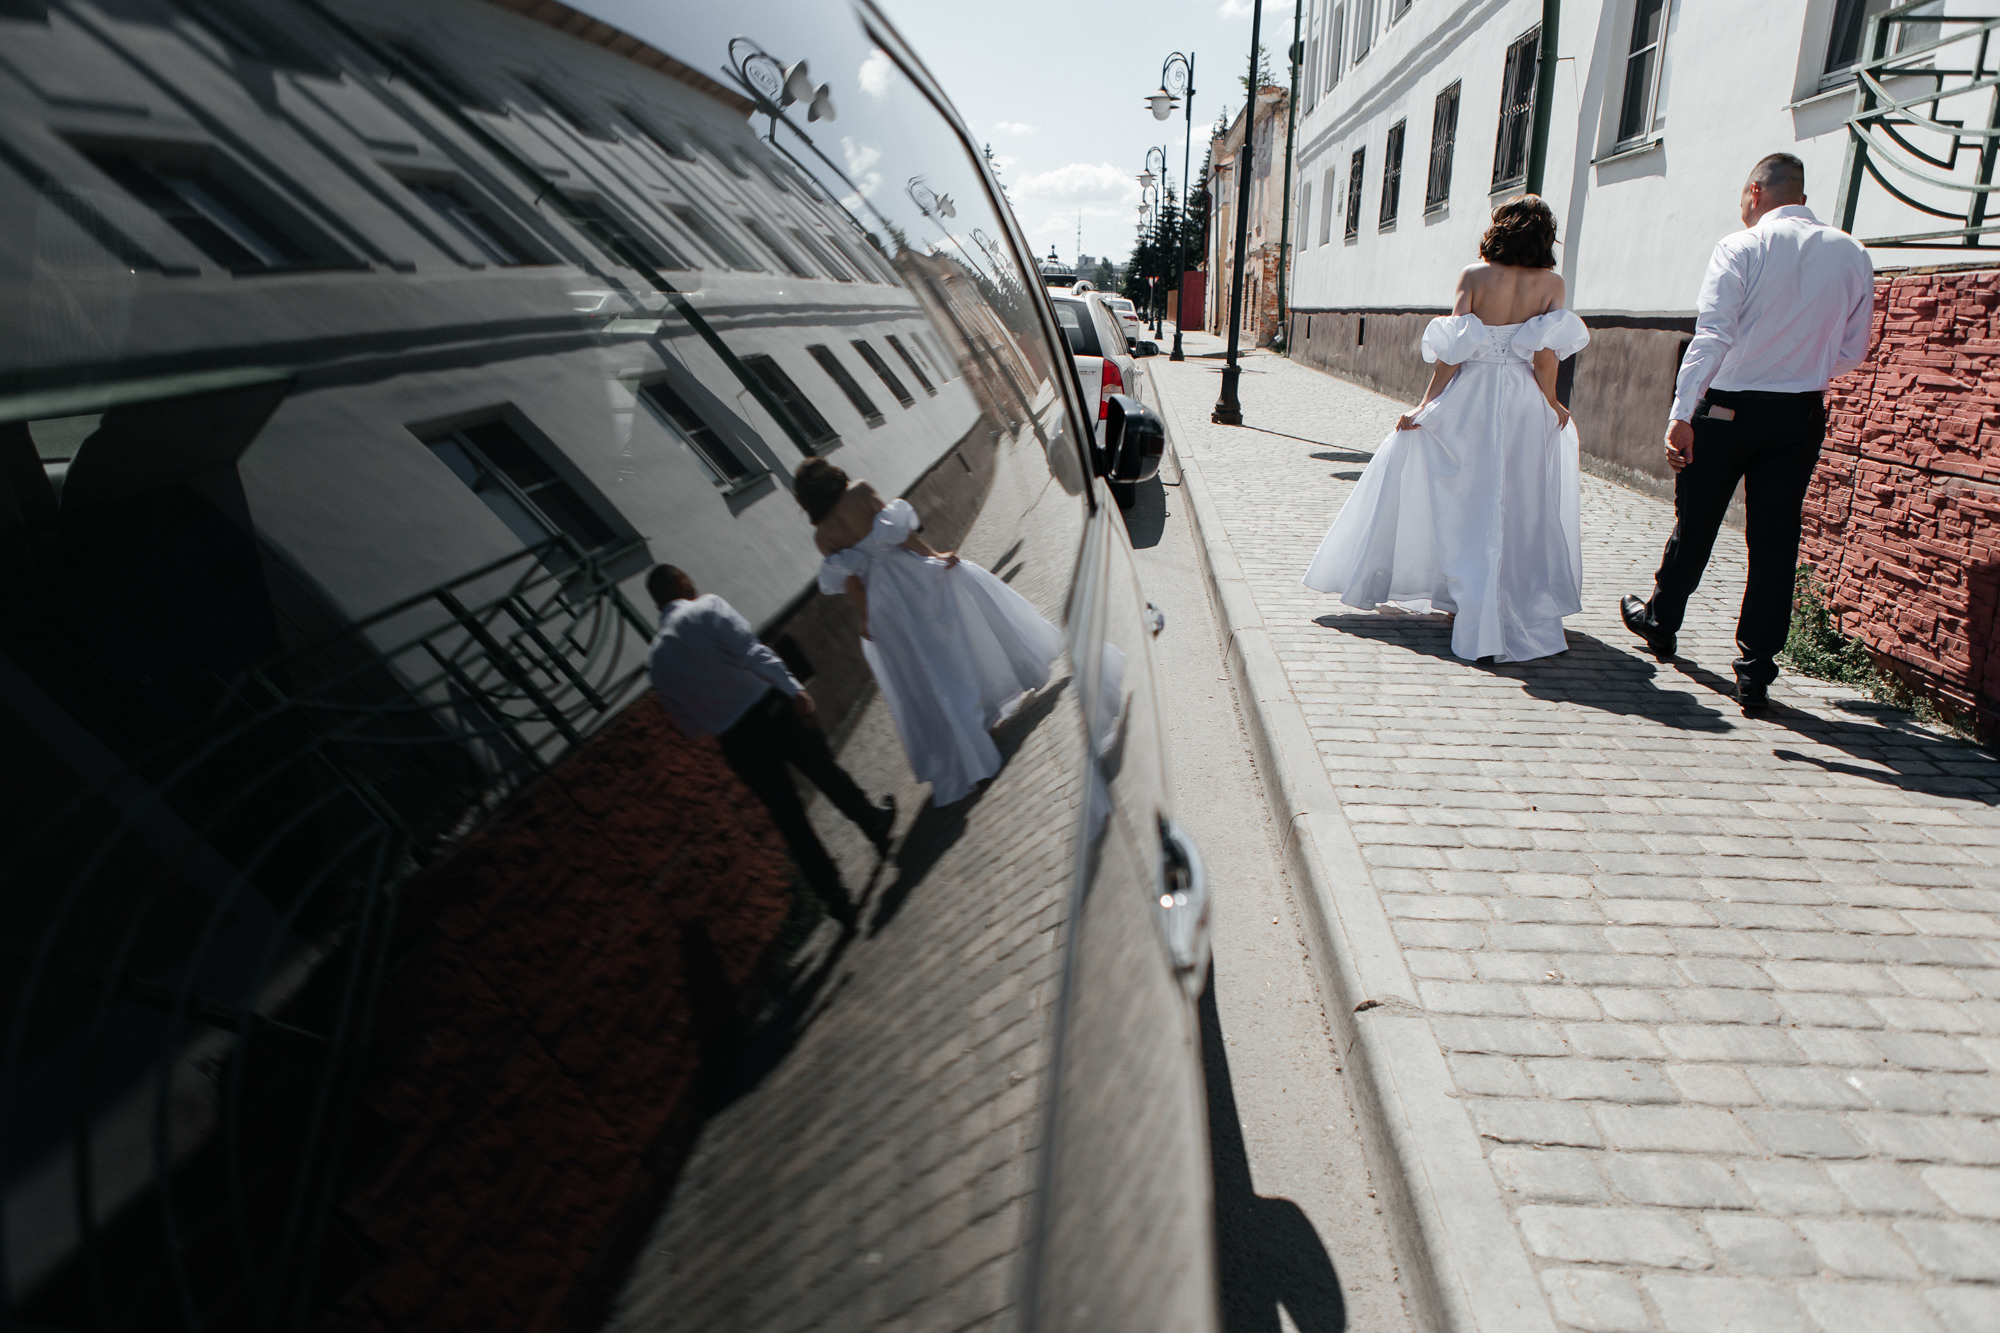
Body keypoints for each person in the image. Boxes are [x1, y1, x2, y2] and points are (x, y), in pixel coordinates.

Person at [1620, 153, 1874, 714]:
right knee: (1776, 537)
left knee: (1699, 520)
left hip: (1728, 410)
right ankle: (1756, 668)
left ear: (1754, 192)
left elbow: (1711, 335)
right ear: (1802, 199)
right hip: (1800, 414)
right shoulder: (1852, 252)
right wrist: (1800, 366)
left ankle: (1661, 622)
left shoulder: (1742, 246)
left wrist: (1681, 414)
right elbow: (1855, 349)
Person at [1301, 196, 1591, 663]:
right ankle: (1499, 600)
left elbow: (1454, 352)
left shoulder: (1473, 276)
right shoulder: (1552, 283)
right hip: (1520, 399)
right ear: (1543, 235)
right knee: (1514, 500)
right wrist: (1553, 402)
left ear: (1501, 228)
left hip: (1471, 396)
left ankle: (1466, 598)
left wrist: (1426, 406)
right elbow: (1545, 355)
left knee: (1467, 499)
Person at [796, 459, 1063, 806]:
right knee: (956, 637)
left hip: (884, 605)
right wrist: (936, 556)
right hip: (913, 578)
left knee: (929, 668)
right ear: (830, 474)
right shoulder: (859, 491)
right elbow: (902, 535)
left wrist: (866, 620)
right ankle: (991, 698)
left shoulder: (823, 536)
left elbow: (853, 582)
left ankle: (970, 739)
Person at [645, 564, 895, 929]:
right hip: (771, 710)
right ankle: (874, 824)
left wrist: (720, 717)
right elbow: (751, 651)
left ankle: (836, 899)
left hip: (735, 740)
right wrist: (794, 689)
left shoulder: (657, 663)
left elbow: (688, 725)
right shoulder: (706, 608)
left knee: (789, 819)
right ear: (682, 581)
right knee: (824, 771)